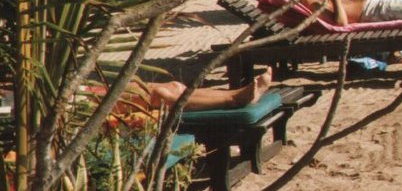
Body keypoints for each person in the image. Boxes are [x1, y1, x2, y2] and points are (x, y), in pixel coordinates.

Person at [81, 71, 273, 113]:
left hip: (87, 91)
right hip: (85, 103)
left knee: (175, 86)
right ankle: (233, 99)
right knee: (163, 96)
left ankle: (237, 94)